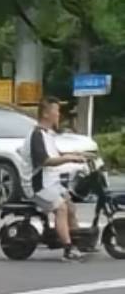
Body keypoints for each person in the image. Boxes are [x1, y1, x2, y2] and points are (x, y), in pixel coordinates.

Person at [29, 96, 84, 261]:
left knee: (71, 207)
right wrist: (68, 158)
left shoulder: (48, 134)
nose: (58, 114)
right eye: (56, 111)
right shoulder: (37, 135)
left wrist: (78, 156)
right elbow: (44, 160)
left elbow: (56, 155)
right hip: (38, 186)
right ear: (46, 114)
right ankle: (68, 250)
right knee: (61, 208)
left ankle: (77, 243)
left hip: (52, 183)